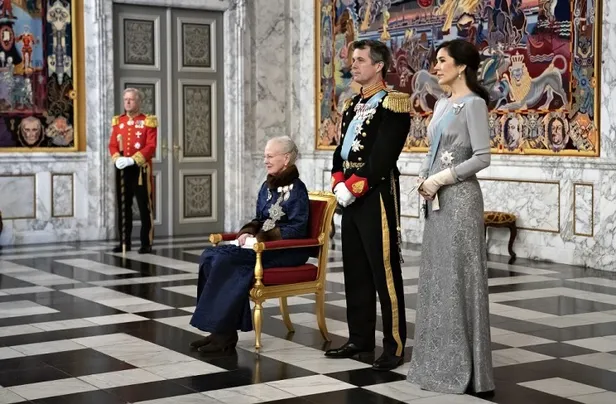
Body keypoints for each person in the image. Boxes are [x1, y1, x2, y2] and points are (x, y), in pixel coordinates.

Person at [407, 39, 495, 395]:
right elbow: (434, 150)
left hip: (460, 201)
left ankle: (467, 367)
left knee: (460, 277)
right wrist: (424, 177)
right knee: (438, 278)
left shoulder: (474, 104)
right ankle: (436, 360)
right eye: (436, 60)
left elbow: (482, 157)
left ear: (461, 67)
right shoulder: (442, 104)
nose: (436, 67)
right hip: (436, 201)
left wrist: (443, 178)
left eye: (442, 60)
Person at [325, 39, 411, 371]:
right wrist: (337, 180)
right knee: (355, 269)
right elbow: (340, 151)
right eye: (353, 60)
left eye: (360, 60)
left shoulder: (393, 103)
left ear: (378, 66)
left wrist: (354, 187)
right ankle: (359, 338)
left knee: (384, 271)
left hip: (375, 194)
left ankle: (394, 345)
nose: (354, 65)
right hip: (349, 195)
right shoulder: (351, 105)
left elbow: (384, 156)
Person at [189, 136, 310, 352]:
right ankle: (219, 331)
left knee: (225, 260)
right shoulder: (267, 186)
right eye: (264, 156)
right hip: (262, 246)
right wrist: (247, 233)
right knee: (210, 255)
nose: (265, 161)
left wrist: (260, 239)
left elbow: (297, 229)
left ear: (286, 158)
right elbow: (259, 219)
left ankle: (224, 336)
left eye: (270, 156)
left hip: (286, 250)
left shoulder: (297, 189)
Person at [108, 88, 158, 254]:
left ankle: (146, 243)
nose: (128, 102)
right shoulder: (119, 121)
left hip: (140, 169)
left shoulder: (147, 121)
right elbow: (112, 144)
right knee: (123, 206)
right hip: (123, 168)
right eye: (125, 99)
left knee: (144, 206)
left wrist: (133, 159)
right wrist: (116, 157)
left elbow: (151, 146)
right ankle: (124, 241)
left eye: (131, 99)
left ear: (138, 101)